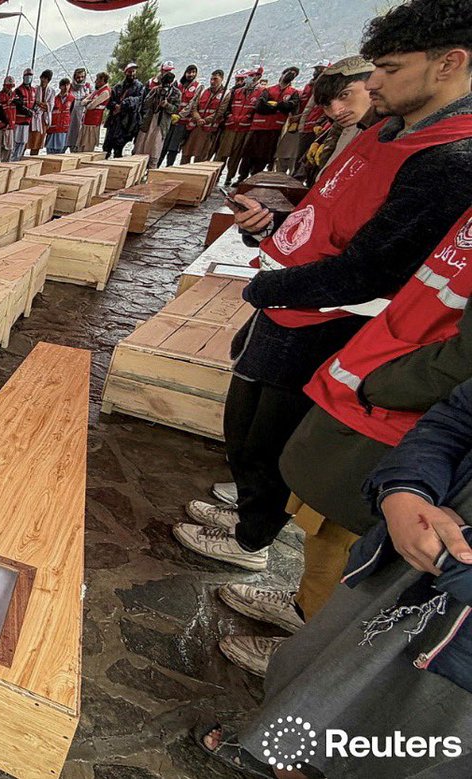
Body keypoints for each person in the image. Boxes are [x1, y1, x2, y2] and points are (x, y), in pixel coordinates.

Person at [173, 0, 472, 682]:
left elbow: (379, 266)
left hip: (344, 333)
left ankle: (261, 553)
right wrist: (265, 236)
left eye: (391, 70)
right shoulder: (391, 129)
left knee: (308, 483)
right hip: (313, 316)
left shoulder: (451, 159)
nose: (376, 84)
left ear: (451, 63)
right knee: (253, 431)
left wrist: (275, 289)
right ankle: (253, 524)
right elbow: (327, 214)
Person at [202, 374, 472, 779]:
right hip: (406, 561)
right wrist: (405, 489)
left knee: (416, 740)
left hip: (459, 638)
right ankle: (280, 758)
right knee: (322, 675)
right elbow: (455, 419)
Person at [298, 57, 377, 178]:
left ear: (374, 85)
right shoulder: (346, 129)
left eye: (345, 95)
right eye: (326, 105)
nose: (336, 111)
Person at [237, 66, 301, 181]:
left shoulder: (293, 92)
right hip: (259, 127)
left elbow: (290, 106)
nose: (289, 75)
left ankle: (255, 177)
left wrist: (274, 105)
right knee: (248, 154)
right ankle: (242, 177)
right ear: (282, 74)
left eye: (293, 74)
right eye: (288, 72)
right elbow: (260, 106)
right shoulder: (269, 90)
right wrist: (278, 106)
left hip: (274, 129)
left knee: (264, 156)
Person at [221, 67, 262, 185]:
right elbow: (227, 107)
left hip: (244, 128)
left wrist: (247, 119)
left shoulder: (261, 92)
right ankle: (217, 175)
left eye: (251, 76)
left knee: (236, 155)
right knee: (223, 153)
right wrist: (229, 117)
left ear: (257, 77)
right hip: (231, 126)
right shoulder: (237, 92)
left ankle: (229, 177)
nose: (249, 79)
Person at [134, 68, 181, 163]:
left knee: (155, 149)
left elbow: (175, 109)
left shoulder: (176, 93)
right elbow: (146, 104)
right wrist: (155, 95)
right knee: (140, 147)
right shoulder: (155, 90)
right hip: (149, 121)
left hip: (162, 124)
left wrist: (167, 105)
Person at [158, 64, 199, 167]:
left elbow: (192, 104)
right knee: (163, 145)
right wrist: (172, 113)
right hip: (170, 119)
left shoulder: (197, 86)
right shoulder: (178, 85)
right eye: (189, 72)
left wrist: (180, 115)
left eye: (193, 72)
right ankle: (156, 166)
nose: (191, 74)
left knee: (173, 148)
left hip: (182, 122)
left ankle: (169, 168)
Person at [103, 63, 144, 158]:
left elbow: (138, 100)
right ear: (125, 72)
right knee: (107, 146)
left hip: (126, 121)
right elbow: (109, 102)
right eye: (130, 71)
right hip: (114, 120)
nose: (132, 74)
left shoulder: (139, 87)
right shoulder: (118, 86)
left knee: (119, 146)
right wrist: (115, 106)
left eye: (133, 71)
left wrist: (123, 105)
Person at [76, 72, 110, 152]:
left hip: (93, 123)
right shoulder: (97, 90)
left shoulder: (105, 92)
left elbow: (91, 106)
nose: (95, 81)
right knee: (81, 146)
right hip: (86, 121)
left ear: (102, 80)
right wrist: (88, 102)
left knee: (88, 146)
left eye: (97, 80)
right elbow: (83, 101)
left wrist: (88, 103)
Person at [27, 69, 55, 156]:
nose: (43, 80)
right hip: (34, 118)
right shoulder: (35, 89)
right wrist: (41, 104)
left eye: (45, 79)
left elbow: (50, 106)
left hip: (44, 120)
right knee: (29, 140)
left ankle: (34, 157)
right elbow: (32, 103)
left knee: (38, 142)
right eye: (42, 78)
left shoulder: (51, 91)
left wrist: (39, 104)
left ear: (48, 80)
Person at [11, 68, 36, 160]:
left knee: (22, 143)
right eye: (26, 75)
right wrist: (28, 112)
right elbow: (18, 104)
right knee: (15, 144)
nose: (28, 77)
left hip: (27, 122)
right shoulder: (18, 90)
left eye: (30, 75)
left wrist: (33, 111)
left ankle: (18, 160)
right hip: (18, 121)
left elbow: (35, 103)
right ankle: (12, 161)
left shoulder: (33, 90)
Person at [0, 75, 17, 163]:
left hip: (10, 127)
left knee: (9, 150)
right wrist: (6, 122)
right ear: (4, 86)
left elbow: (21, 105)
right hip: (0, 127)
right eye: (8, 87)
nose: (10, 89)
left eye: (11, 87)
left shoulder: (15, 96)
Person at [67, 68, 91, 152]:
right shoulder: (69, 87)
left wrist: (87, 99)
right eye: (78, 77)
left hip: (82, 116)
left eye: (82, 77)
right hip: (70, 117)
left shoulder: (87, 87)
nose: (80, 79)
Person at [46, 78, 73, 154]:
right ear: (60, 87)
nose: (66, 87)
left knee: (60, 152)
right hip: (53, 129)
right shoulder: (54, 99)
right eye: (64, 85)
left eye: (68, 85)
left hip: (63, 129)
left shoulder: (72, 99)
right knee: (50, 150)